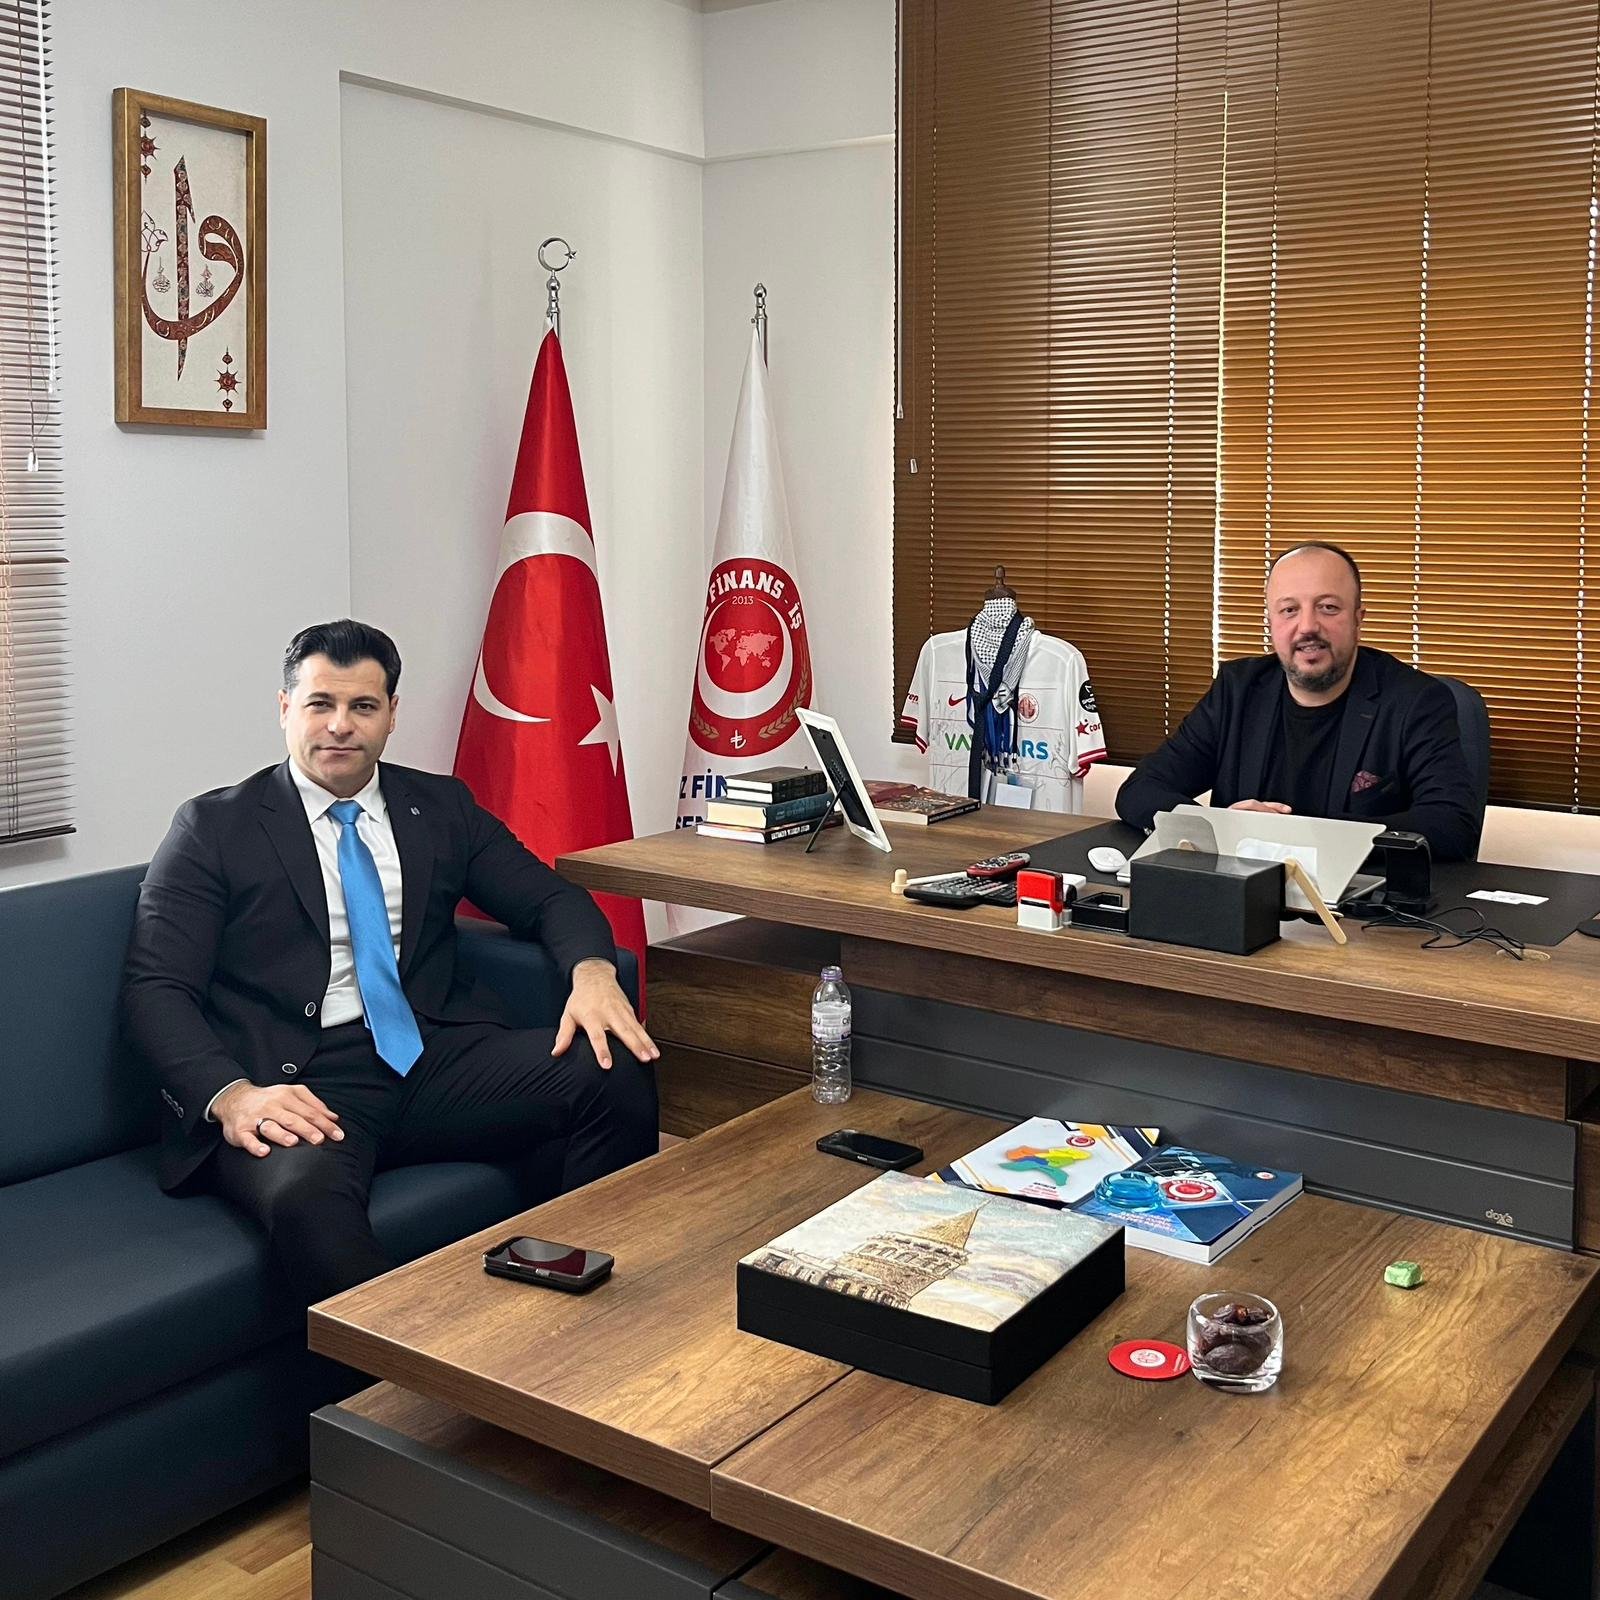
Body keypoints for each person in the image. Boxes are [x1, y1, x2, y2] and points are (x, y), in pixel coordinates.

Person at [122, 619, 659, 1305]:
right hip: (299, 1080)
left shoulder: (439, 806)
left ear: (392, 714)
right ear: (285, 708)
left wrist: (593, 975)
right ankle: (410, 1370)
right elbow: (155, 990)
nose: (340, 725)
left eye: (363, 706)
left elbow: (550, 899)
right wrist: (232, 1095)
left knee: (615, 1065)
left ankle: (585, 1303)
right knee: (306, 1198)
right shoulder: (214, 828)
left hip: (429, 1058)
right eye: (320, 703)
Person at [1116, 543, 1480, 861]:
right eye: (1289, 610)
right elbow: (1141, 790)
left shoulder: (1415, 701)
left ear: (1358, 619)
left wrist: (1301, 837)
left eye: (1328, 607)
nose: (1308, 626)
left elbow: (1451, 825)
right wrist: (1221, 828)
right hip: (1241, 893)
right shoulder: (1237, 691)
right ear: (1270, 622)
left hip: (1356, 902)